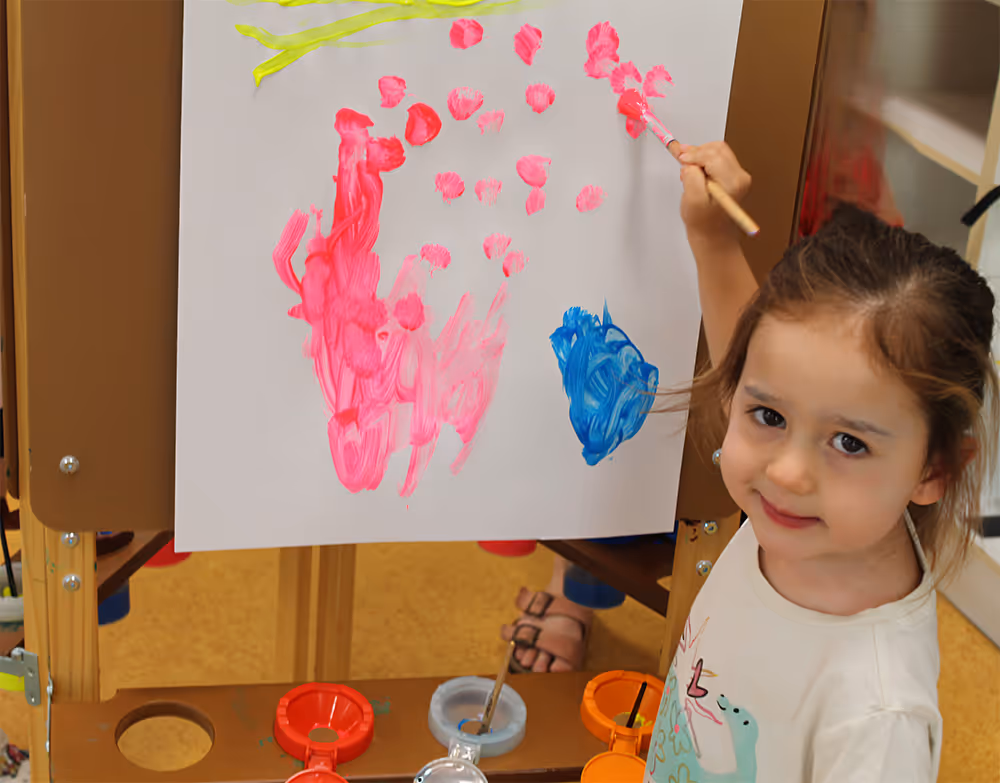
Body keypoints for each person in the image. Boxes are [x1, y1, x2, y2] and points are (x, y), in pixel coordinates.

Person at [640, 141, 997, 782]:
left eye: (849, 443)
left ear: (934, 471)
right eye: (770, 418)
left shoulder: (877, 717)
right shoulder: (810, 518)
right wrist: (713, 239)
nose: (785, 471)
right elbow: (752, 365)